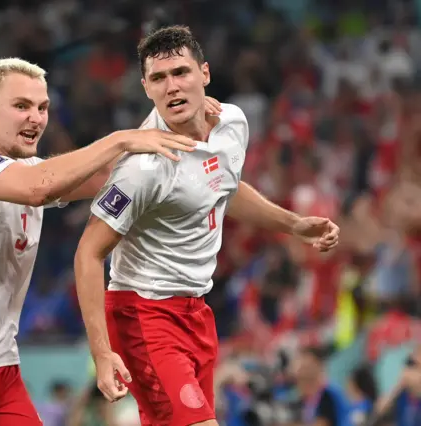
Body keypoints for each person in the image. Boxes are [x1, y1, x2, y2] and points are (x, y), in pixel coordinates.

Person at [0, 57, 209, 426]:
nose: (35, 118)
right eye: (21, 106)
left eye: (42, 108)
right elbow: (37, 188)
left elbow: (107, 176)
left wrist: (176, 127)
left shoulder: (34, 171)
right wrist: (121, 139)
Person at [74, 25, 340, 426]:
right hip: (144, 314)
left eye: (181, 72)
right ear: (146, 88)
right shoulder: (142, 168)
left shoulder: (231, 123)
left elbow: (223, 188)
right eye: (159, 79)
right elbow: (88, 253)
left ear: (205, 74)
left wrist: (294, 224)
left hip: (197, 312)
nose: (172, 87)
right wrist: (101, 351)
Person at [291, 347, 350, 426]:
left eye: (306, 367)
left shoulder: (329, 394)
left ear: (319, 366)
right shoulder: (307, 397)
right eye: (301, 367)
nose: (302, 372)